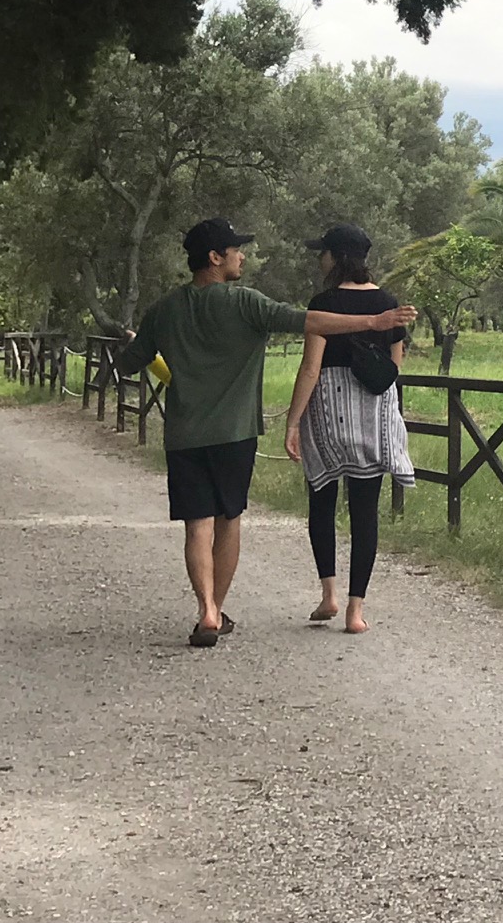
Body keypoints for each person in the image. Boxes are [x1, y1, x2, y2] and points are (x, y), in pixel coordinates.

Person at [114, 218, 418, 649]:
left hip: (184, 435)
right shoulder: (246, 303)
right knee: (228, 522)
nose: (242, 256)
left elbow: (130, 363)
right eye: (235, 250)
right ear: (215, 258)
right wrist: (374, 322)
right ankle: (218, 608)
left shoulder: (163, 310)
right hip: (235, 434)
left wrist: (137, 344)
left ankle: (206, 608)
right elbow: (305, 321)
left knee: (197, 525)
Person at [285, 225, 415, 635]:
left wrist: (293, 421)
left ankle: (329, 594)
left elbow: (311, 368)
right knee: (365, 511)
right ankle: (355, 611)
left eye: (322, 253)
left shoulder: (324, 304)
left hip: (329, 411)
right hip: (373, 411)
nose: (319, 260)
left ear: (337, 257)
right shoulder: (389, 304)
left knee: (322, 500)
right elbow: (394, 367)